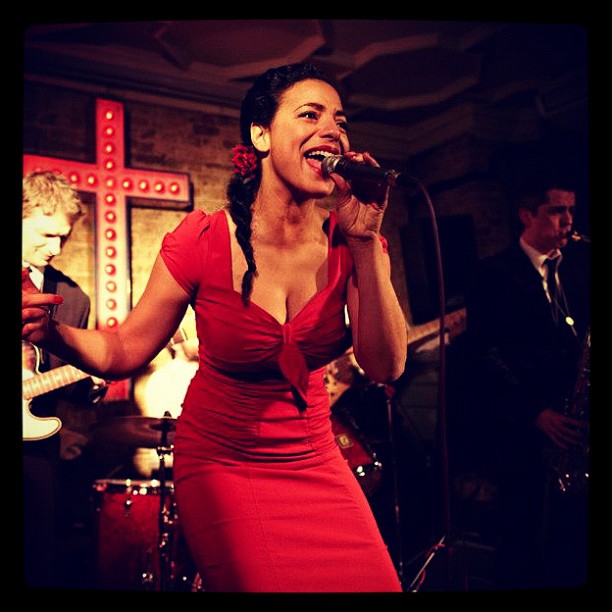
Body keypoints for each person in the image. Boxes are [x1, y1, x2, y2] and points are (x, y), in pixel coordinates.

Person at [22, 63, 408, 592]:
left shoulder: (353, 243)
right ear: (260, 135)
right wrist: (52, 333)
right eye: (310, 115)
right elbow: (123, 350)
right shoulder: (202, 239)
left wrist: (365, 244)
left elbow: (386, 366)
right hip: (223, 466)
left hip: (316, 461)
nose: (332, 131)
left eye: (340, 121)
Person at [461, 177, 590, 591]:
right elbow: (483, 356)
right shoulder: (492, 274)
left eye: (571, 211)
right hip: (525, 431)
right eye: (557, 211)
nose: (568, 221)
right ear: (526, 215)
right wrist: (535, 413)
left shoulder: (578, 267)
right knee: (527, 538)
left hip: (573, 420)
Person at [21, 170, 108, 589]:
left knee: (39, 559)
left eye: (64, 237)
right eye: (45, 235)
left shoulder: (73, 298)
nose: (55, 248)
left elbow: (64, 378)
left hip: (37, 451)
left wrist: (91, 385)